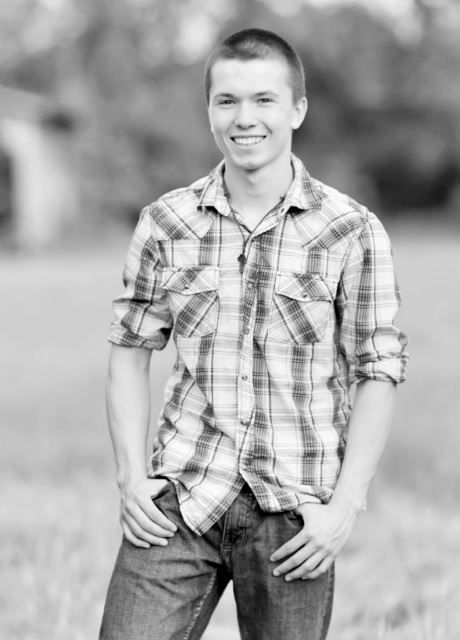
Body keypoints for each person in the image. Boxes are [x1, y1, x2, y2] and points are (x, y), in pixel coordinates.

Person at [99, 28, 408, 640]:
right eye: (227, 101)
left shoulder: (351, 230)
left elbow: (378, 370)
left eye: (264, 100)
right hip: (182, 500)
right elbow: (129, 353)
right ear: (209, 109)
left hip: (295, 515)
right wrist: (133, 479)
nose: (245, 119)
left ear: (297, 108)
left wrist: (344, 508)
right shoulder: (166, 223)